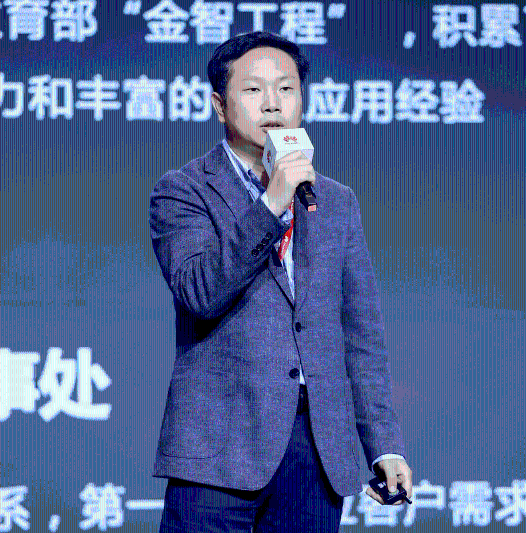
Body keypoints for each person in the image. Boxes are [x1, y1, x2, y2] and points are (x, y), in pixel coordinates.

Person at [149, 31, 411, 533]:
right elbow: (200, 292)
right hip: (219, 449)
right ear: (220, 105)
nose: (273, 103)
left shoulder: (336, 201)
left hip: (317, 449)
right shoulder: (183, 191)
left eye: (286, 89)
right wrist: (271, 202)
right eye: (253, 90)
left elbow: (360, 336)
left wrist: (384, 445)